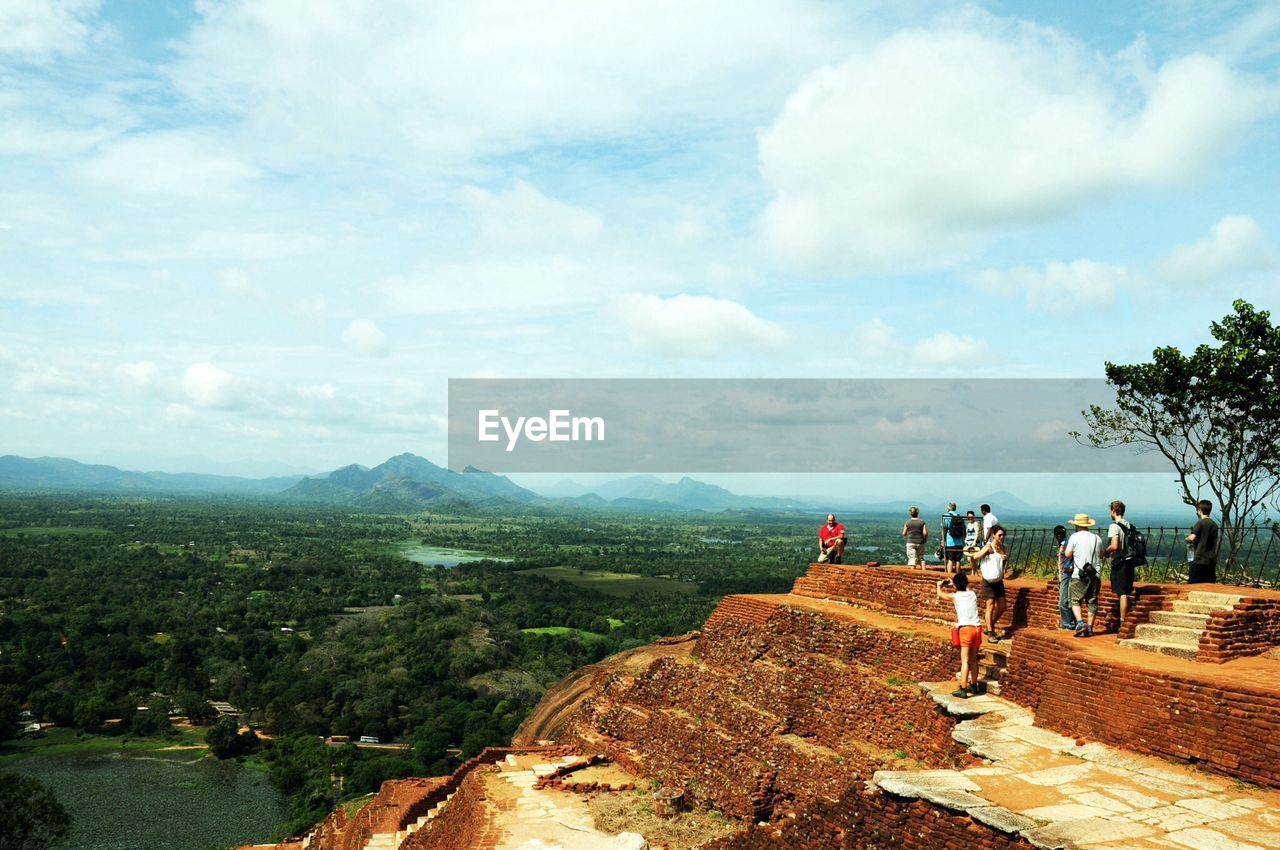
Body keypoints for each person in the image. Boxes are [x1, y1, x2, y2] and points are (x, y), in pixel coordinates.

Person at [936, 572, 982, 699]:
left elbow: (940, 594)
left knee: (965, 661)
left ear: (955, 585)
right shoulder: (972, 594)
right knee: (974, 660)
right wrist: (956, 584)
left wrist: (939, 585)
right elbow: (966, 587)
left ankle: (963, 688)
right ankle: (974, 684)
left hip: (966, 629)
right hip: (977, 628)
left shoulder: (955, 596)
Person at [1063, 513, 1104, 637]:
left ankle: (1080, 623)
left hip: (1079, 574)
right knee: (1092, 601)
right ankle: (1090, 627)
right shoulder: (1097, 538)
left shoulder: (1074, 537)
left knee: (1075, 600)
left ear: (1077, 525)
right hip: (1095, 574)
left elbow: (1067, 554)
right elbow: (1102, 555)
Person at [966, 524, 1007, 642]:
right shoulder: (989, 546)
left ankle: (990, 625)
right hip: (988, 581)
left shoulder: (1002, 548)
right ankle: (990, 633)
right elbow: (975, 556)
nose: (1001, 537)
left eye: (1003, 535)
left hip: (998, 581)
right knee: (990, 606)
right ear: (994, 535)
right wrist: (985, 552)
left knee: (1002, 606)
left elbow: (1002, 563)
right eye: (999, 535)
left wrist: (1004, 561)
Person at [1105, 500, 1137, 628]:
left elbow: (1114, 545)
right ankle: (1126, 618)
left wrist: (1105, 552)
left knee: (1122, 593)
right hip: (1130, 562)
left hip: (1120, 562)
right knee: (1126, 592)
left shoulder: (1115, 526)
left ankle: (1123, 621)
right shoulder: (1130, 525)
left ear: (1113, 511)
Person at [1186, 500, 1219, 584]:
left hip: (1199, 559)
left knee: (1194, 584)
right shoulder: (1214, 524)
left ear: (1200, 510)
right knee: (1209, 585)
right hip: (1210, 560)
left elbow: (1192, 538)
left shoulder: (1200, 523)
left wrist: (1187, 538)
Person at [1055, 524, 1076, 631]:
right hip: (1061, 575)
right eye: (1057, 535)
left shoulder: (1067, 545)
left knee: (1063, 602)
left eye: (1060, 534)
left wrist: (1071, 568)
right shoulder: (1061, 545)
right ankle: (1065, 623)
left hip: (1067, 575)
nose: (1059, 536)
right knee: (1065, 600)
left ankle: (1069, 625)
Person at [942, 502, 965, 575]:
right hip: (960, 541)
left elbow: (944, 529)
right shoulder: (959, 516)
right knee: (958, 560)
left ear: (948, 508)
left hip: (950, 541)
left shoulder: (946, 516)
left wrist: (943, 540)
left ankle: (949, 576)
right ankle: (958, 576)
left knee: (950, 559)